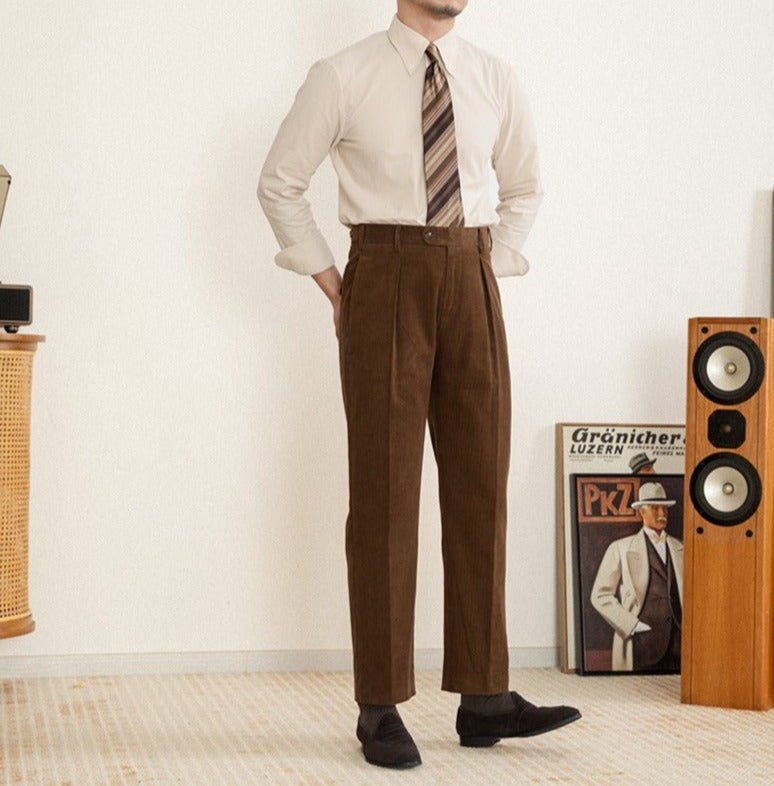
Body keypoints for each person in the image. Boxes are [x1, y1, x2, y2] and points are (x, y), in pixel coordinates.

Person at [258, 0, 580, 769]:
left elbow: (525, 186)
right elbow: (279, 183)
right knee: (384, 495)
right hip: (383, 274)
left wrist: (486, 266)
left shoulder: (493, 77)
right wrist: (336, 284)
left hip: (471, 277)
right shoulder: (343, 75)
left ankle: (485, 696)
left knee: (481, 487)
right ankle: (379, 705)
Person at [590, 482, 683, 672]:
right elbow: (600, 595)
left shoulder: (681, 547)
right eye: (655, 508)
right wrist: (632, 625)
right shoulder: (620, 548)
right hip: (641, 643)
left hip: (678, 643)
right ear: (642, 512)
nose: (662, 513)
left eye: (665, 508)